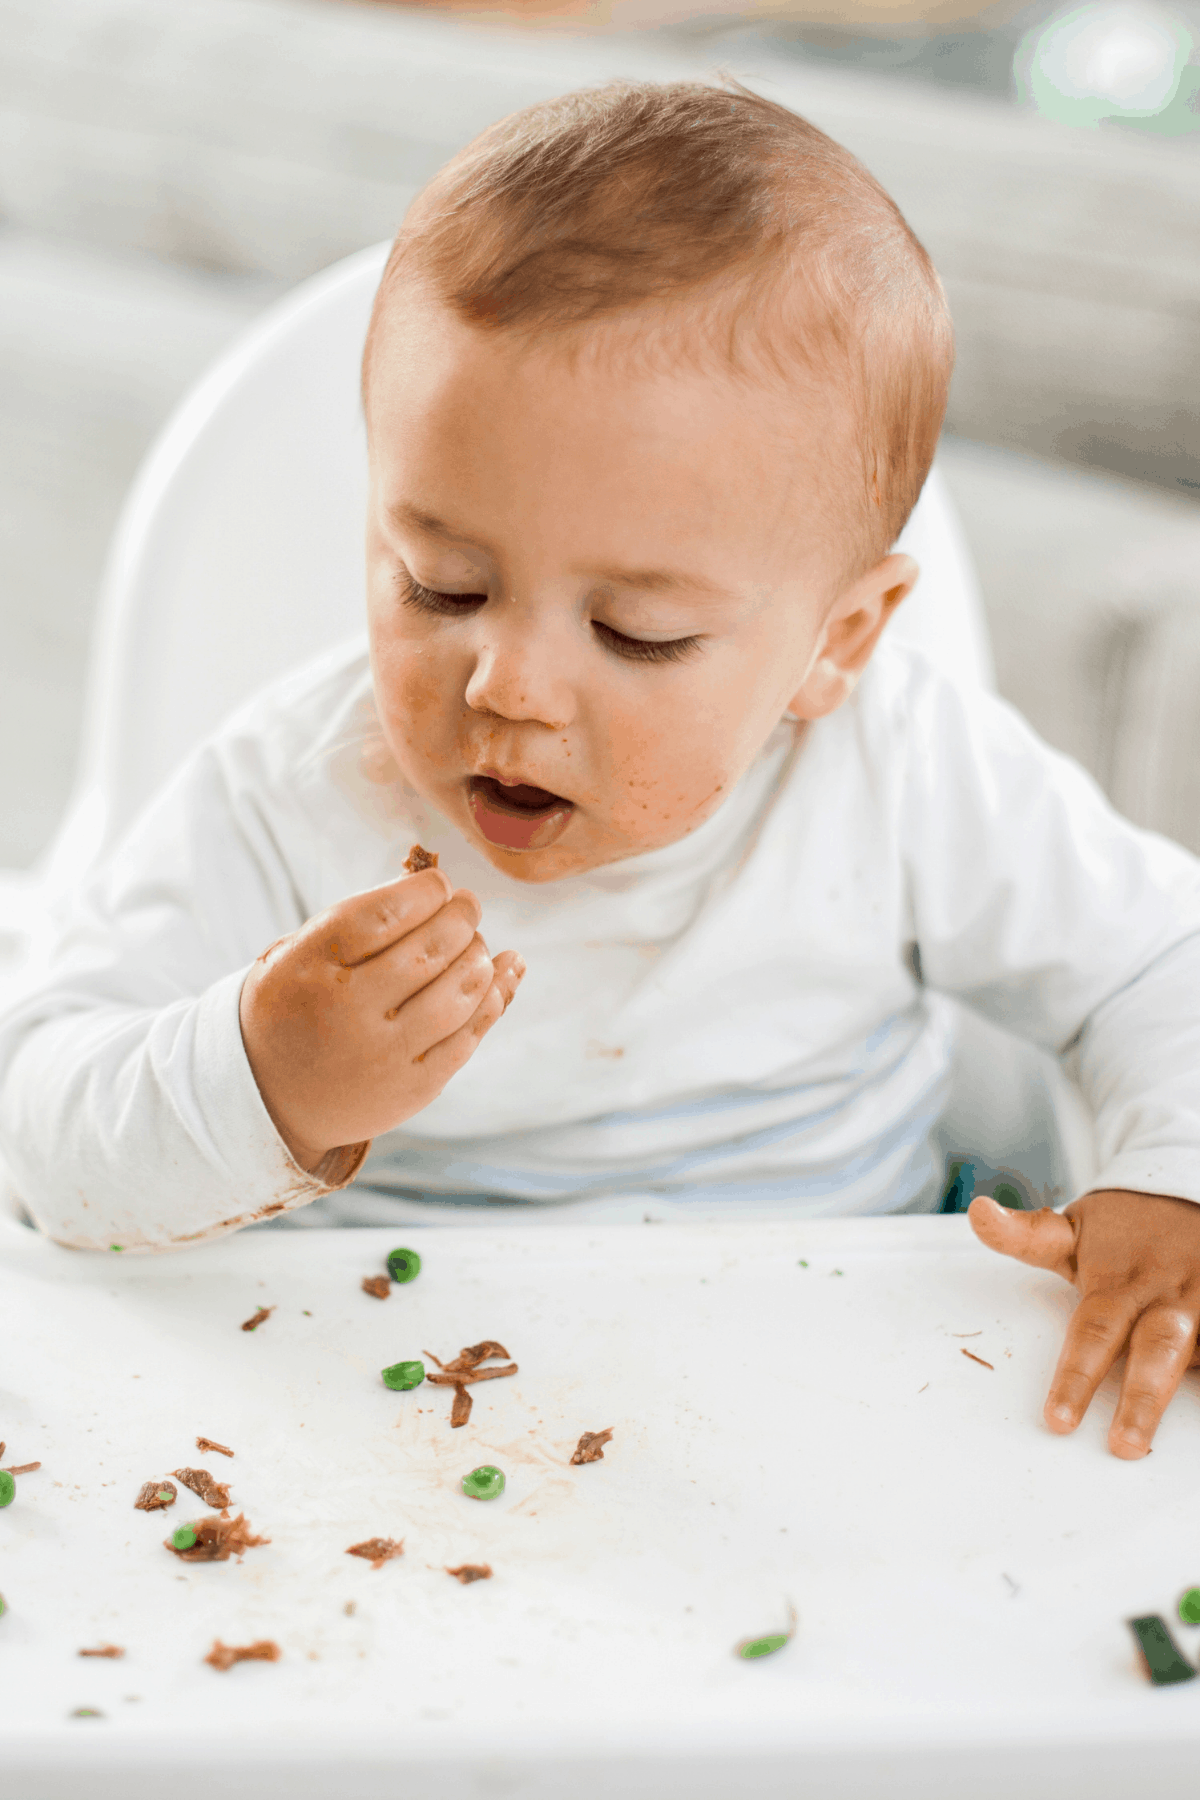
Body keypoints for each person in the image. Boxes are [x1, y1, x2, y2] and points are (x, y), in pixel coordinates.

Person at [1, 81, 1198, 1460]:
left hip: (843, 1391)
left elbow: (1160, 963)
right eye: (442, 587)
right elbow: (43, 1135)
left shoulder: (902, 766)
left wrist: (1172, 1188)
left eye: (638, 632)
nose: (503, 685)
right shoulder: (292, 793)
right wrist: (265, 1078)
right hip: (374, 1405)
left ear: (840, 641)